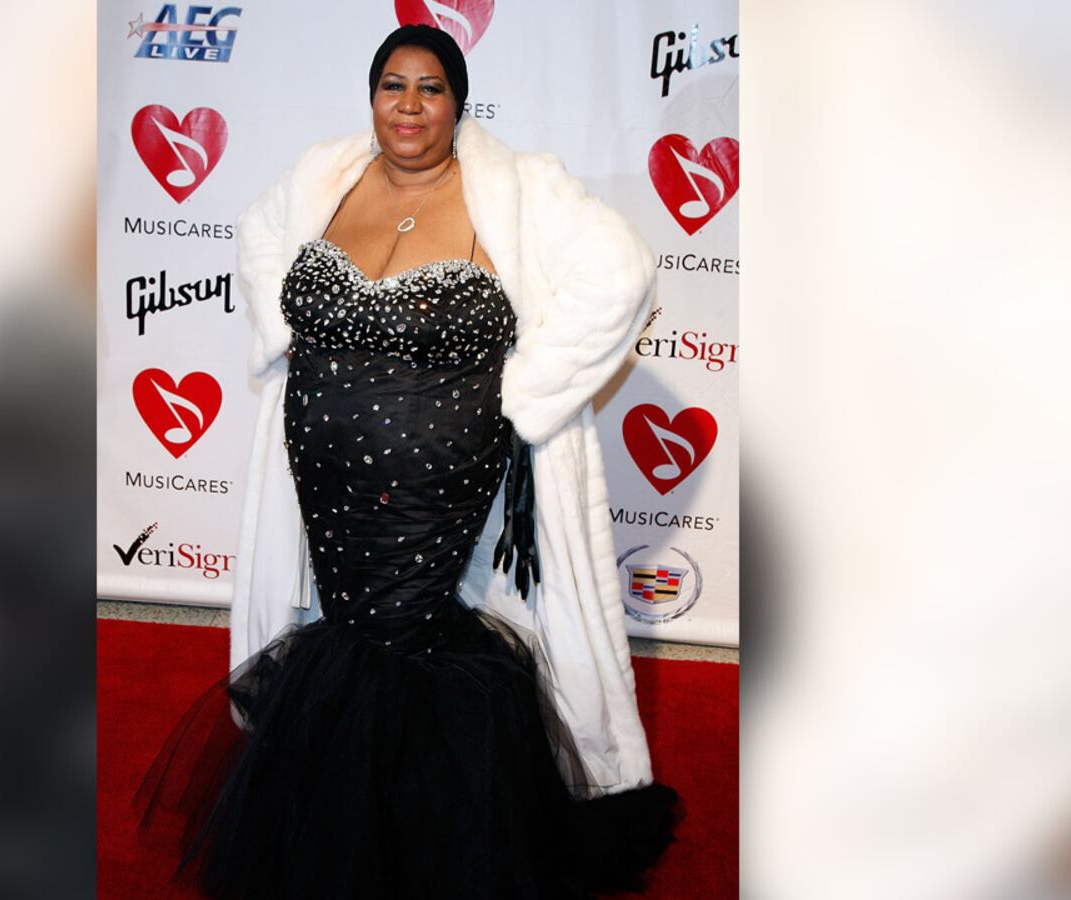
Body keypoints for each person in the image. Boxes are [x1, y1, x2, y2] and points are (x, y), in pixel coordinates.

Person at [139, 24, 680, 899]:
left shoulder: (513, 189)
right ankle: (347, 822)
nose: (411, 106)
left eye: (431, 89)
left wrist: (527, 390)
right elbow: (260, 233)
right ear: (373, 96)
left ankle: (427, 841)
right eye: (395, 85)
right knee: (347, 622)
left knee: (406, 626)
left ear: (457, 104)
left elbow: (621, 271)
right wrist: (284, 335)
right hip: (323, 459)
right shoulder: (326, 175)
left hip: (439, 471)